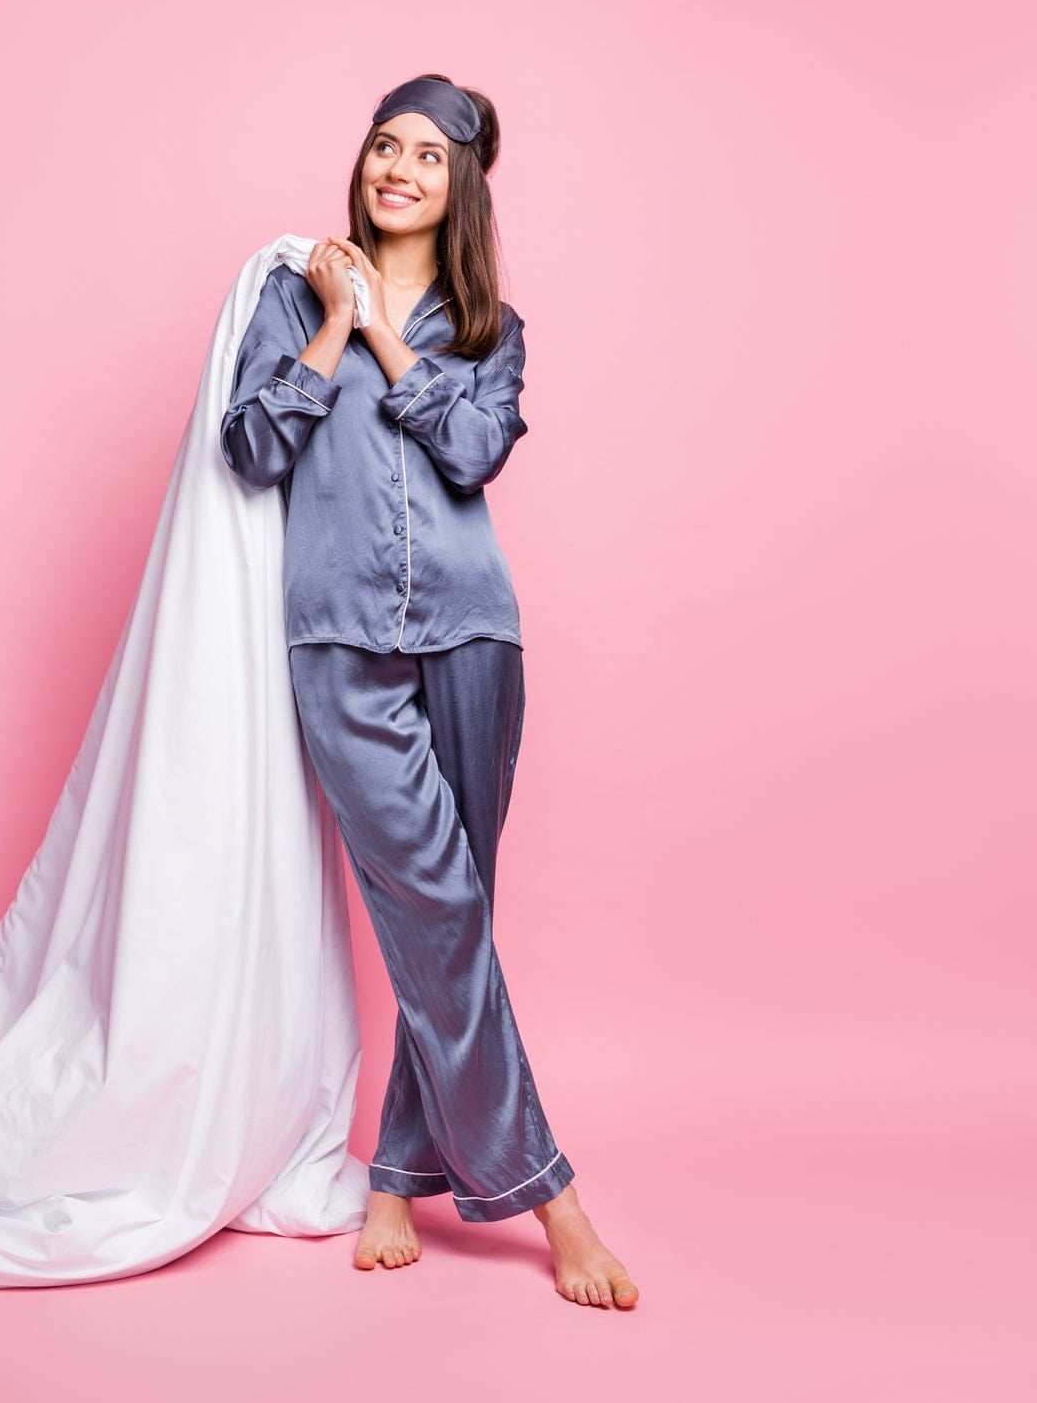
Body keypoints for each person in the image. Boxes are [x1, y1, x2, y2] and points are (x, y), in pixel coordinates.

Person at [220, 73, 639, 1308]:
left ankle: (398, 1175)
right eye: (383, 147)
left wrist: (386, 334)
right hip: (339, 641)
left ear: (460, 189)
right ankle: (556, 1200)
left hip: (472, 638)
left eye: (427, 157)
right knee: (440, 913)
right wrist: (333, 325)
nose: (397, 170)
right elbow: (251, 447)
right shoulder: (288, 293)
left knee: (451, 922)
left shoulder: (492, 328)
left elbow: (471, 450)